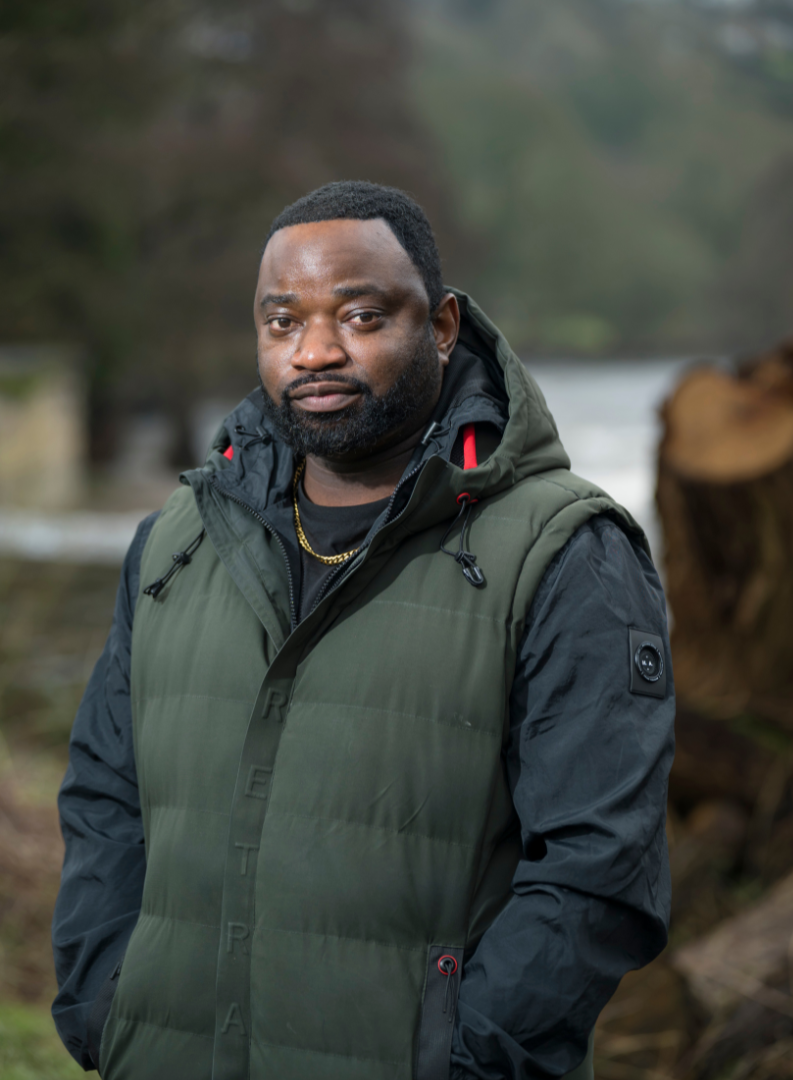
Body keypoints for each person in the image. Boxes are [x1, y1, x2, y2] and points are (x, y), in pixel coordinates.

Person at [52, 181, 674, 1080]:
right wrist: (103, 1003)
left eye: (360, 316)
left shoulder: (565, 552)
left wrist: (463, 1062)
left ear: (443, 325)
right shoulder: (175, 544)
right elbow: (105, 797)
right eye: (282, 321)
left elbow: (598, 867)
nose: (314, 352)